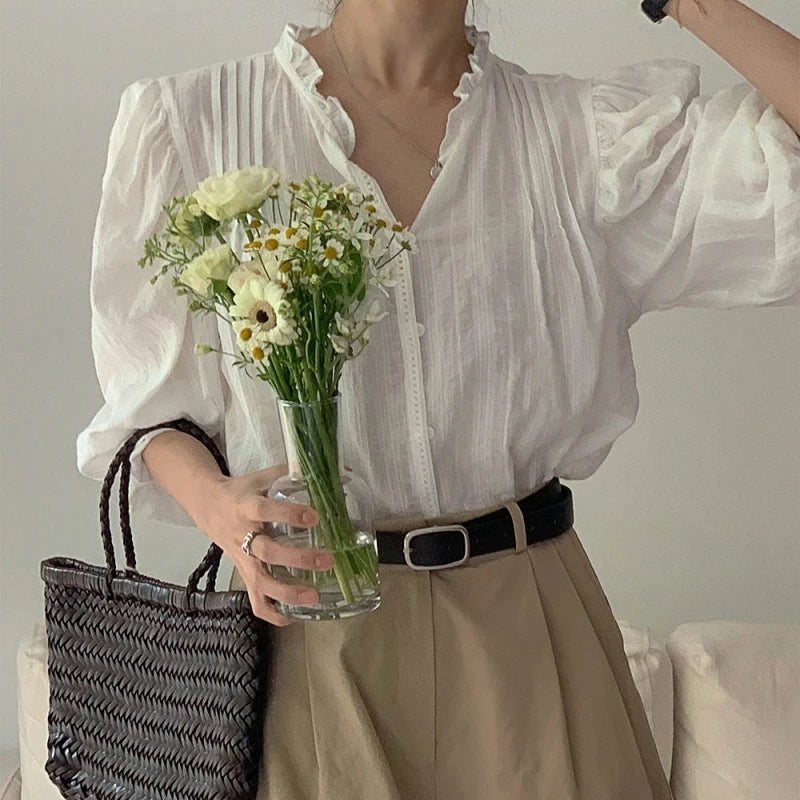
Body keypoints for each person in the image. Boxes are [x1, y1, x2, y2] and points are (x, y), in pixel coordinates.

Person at [76, 0, 800, 797]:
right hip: (307, 636)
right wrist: (217, 506)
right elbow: (147, 408)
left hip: (529, 631)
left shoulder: (585, 143)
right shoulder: (192, 125)